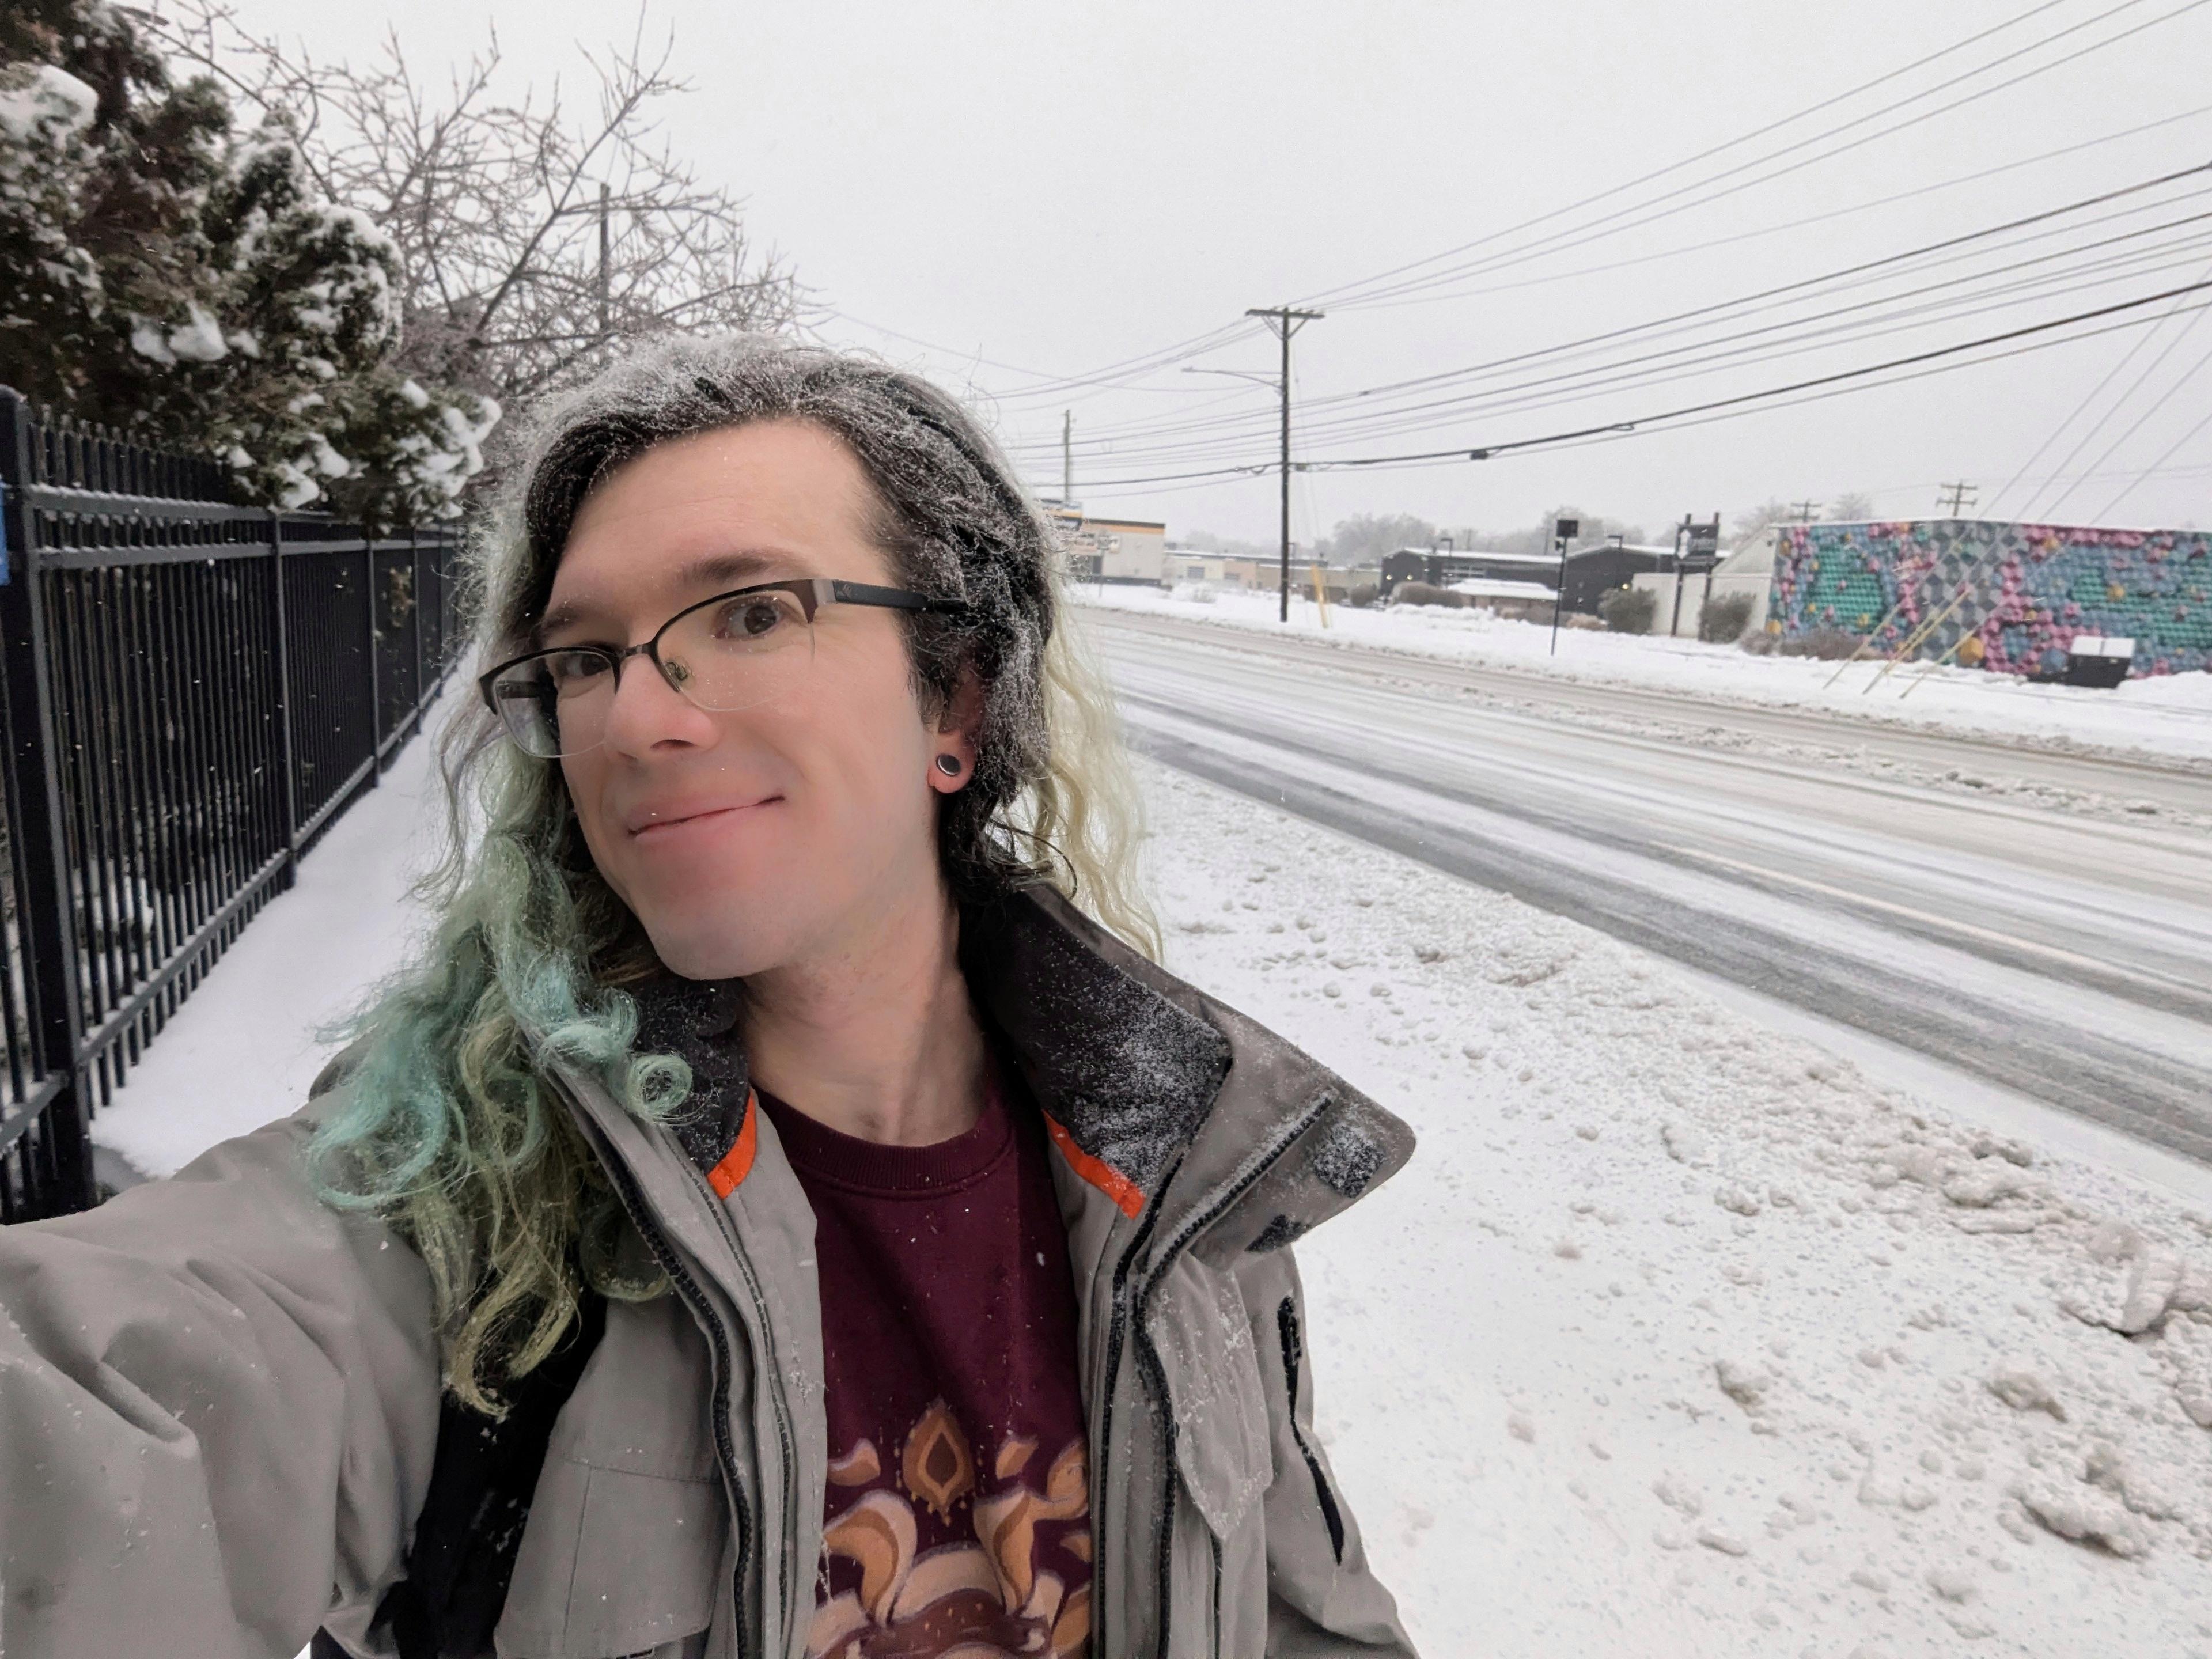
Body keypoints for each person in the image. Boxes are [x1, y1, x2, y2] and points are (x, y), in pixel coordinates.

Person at [0, 335, 1418, 1659]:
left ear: (957, 706)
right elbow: (109, 1402)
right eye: (585, 657)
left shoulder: (1172, 1162)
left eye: (749, 613)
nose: (637, 717)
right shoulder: (466, 1201)